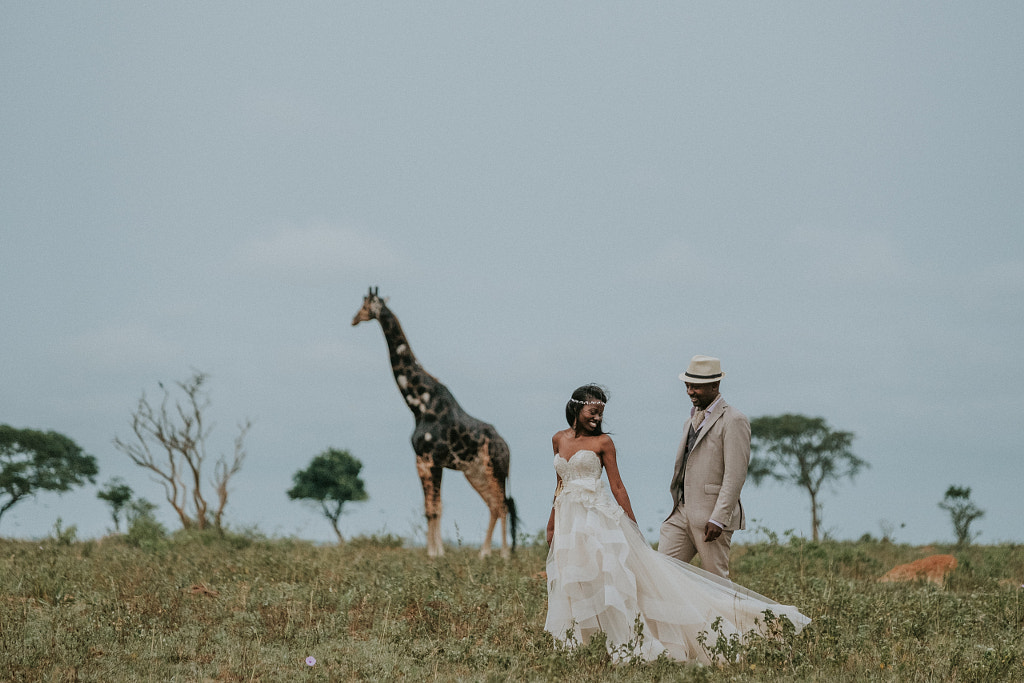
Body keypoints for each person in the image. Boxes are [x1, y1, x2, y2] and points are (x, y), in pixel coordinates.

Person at [544, 384, 809, 663]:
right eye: (592, 412)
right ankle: (587, 646)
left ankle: (733, 629)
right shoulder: (558, 439)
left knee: (620, 582)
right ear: (576, 408)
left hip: (599, 521)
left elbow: (618, 487)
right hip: (570, 521)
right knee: (576, 581)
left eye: (600, 413)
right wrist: (552, 523)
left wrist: (632, 528)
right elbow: (560, 485)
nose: (597, 418)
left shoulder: (603, 443)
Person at [659, 355, 749, 579]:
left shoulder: (734, 420)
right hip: (680, 514)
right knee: (661, 574)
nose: (690, 391)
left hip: (711, 518)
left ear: (714, 385)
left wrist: (718, 517)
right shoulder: (689, 421)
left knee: (717, 582)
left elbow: (735, 474)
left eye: (696, 387)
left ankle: (735, 615)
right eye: (688, 385)